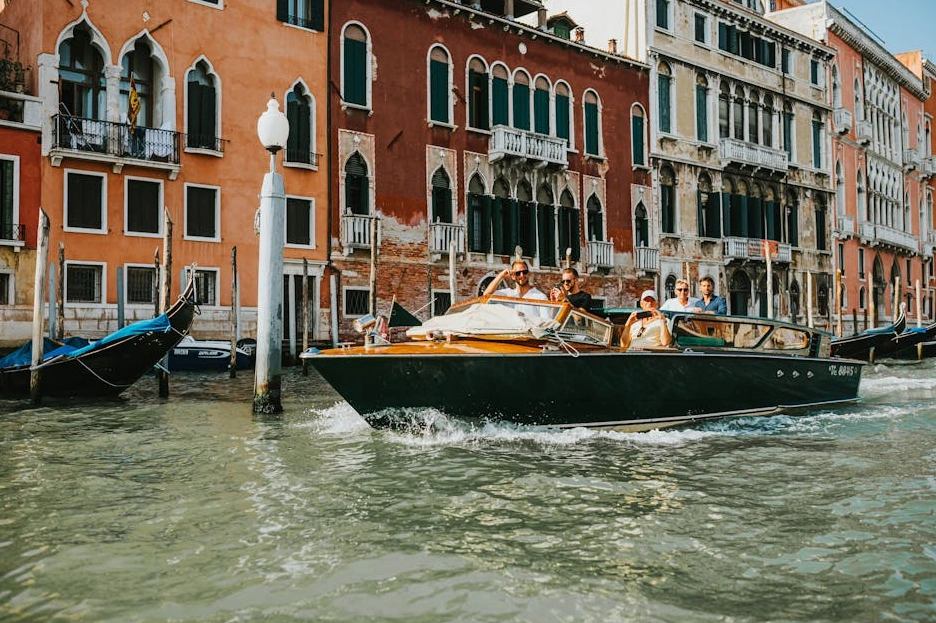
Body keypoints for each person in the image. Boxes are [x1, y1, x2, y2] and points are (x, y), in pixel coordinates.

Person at [483, 260, 550, 317]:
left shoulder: (540, 297)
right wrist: (501, 276)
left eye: (524, 272)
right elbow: (486, 294)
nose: (522, 275)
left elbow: (546, 323)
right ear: (513, 276)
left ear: (528, 273)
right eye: (518, 273)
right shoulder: (507, 294)